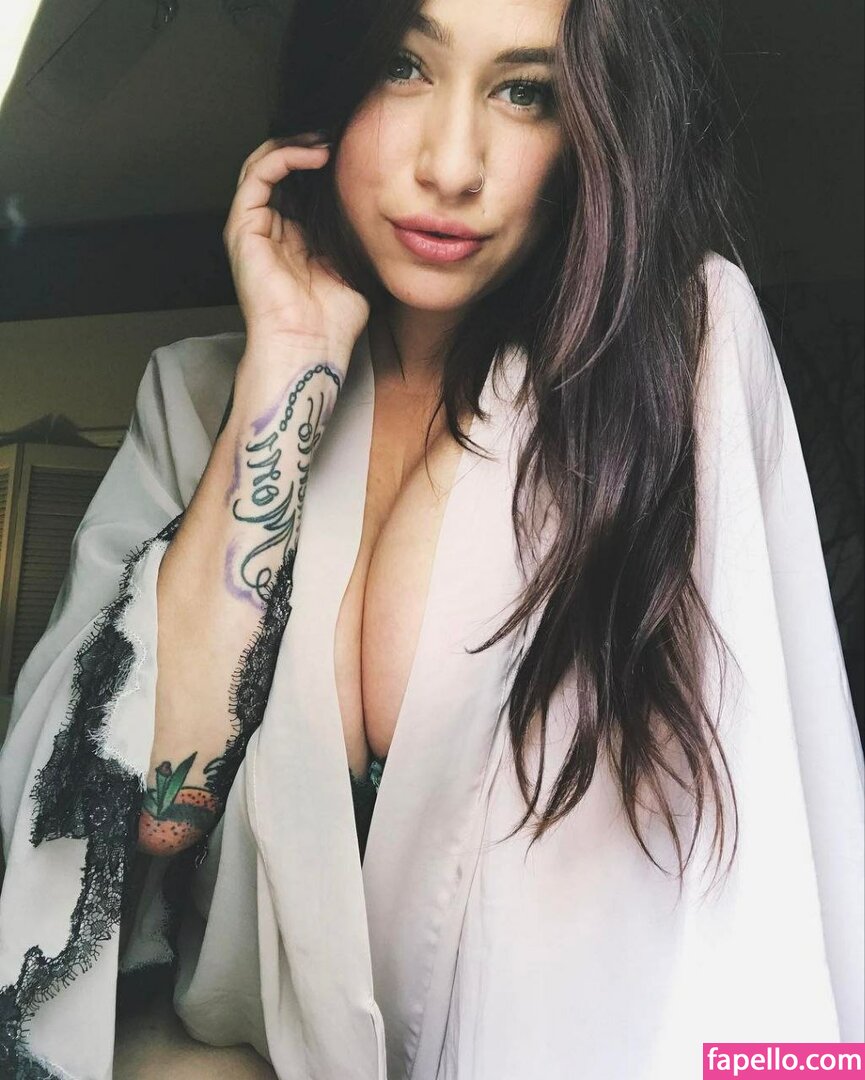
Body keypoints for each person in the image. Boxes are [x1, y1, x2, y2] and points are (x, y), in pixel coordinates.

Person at [1, 0, 863, 1076]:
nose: (453, 166)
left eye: (525, 91)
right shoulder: (199, 398)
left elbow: (760, 894)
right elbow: (142, 825)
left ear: (588, 128)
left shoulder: (670, 360)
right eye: (405, 67)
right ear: (333, 86)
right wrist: (289, 363)